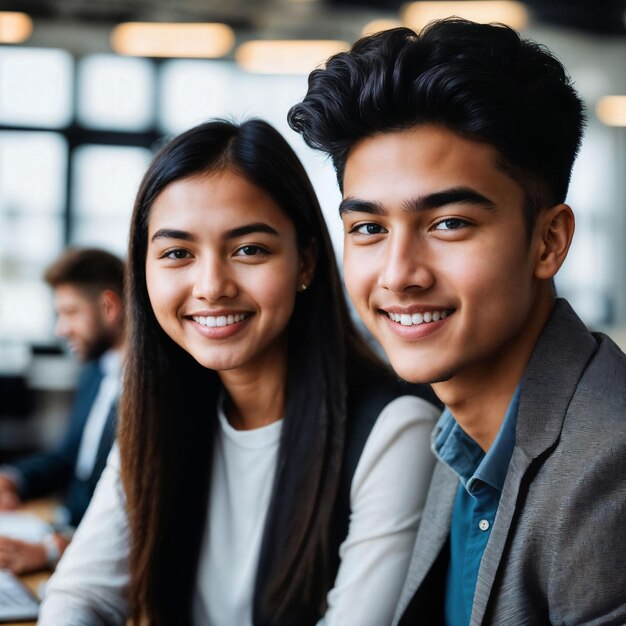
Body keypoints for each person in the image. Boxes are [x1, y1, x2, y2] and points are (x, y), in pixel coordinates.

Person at [288, 17, 626, 626]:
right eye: (368, 228)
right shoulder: (459, 436)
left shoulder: (609, 470)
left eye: (448, 223)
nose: (398, 274)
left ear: (549, 241)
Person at [37, 119, 441, 626]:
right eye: (177, 253)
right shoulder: (158, 413)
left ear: (306, 264)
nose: (211, 286)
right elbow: (81, 595)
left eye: (249, 249)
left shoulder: (394, 430)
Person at [0, 247, 125, 575]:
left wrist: (53, 550)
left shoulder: (151, 388)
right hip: (63, 528)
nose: (60, 329)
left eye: (70, 312)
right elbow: (68, 457)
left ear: (109, 306)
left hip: (96, 555)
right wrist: (14, 481)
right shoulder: (95, 372)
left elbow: (140, 519)